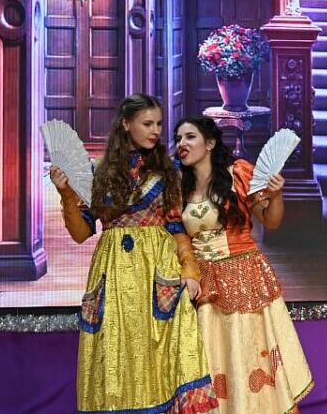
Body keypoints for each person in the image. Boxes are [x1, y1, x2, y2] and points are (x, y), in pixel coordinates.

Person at [50, 94, 218, 414]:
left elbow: (176, 227)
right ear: (126, 124)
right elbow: (81, 233)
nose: (155, 131)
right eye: (147, 123)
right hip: (113, 273)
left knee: (167, 353)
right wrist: (67, 195)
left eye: (158, 124)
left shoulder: (168, 172)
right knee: (115, 353)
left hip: (157, 272)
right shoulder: (97, 172)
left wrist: (190, 269)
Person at [174, 117, 314, 413]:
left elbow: (271, 221)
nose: (181, 144)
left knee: (246, 355)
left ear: (210, 143)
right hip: (204, 285)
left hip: (242, 278)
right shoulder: (179, 187)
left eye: (190, 137)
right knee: (212, 359)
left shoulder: (237, 173)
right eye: (178, 139)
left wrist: (276, 195)